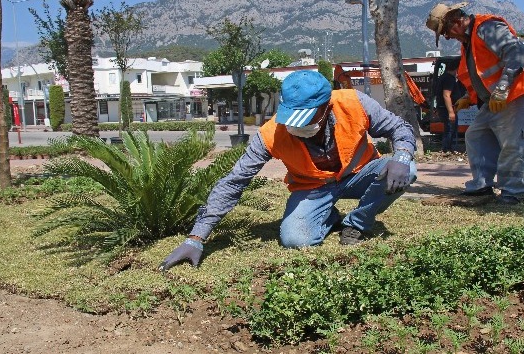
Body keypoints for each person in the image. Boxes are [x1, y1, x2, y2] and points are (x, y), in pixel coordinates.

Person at [159, 70, 417, 270]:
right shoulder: (271, 133)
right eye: (292, 117)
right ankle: (329, 216)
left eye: (305, 118)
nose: (295, 127)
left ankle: (357, 224)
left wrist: (402, 155)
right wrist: (196, 237)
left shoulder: (353, 102)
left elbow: (399, 127)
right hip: (313, 188)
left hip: (359, 174)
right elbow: (235, 181)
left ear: (325, 108)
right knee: (295, 239)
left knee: (408, 168)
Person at [426, 2, 524, 205]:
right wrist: (469, 96)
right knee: (476, 135)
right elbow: (480, 74)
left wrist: (502, 88)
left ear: (456, 21)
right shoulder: (468, 41)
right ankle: (481, 186)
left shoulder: (486, 27)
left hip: (519, 93)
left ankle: (512, 192)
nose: (448, 37)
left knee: (513, 144)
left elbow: (515, 54)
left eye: (446, 32)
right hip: (496, 99)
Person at [433, 59, 467, 152]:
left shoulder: (444, 77)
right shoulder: (449, 79)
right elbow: (446, 95)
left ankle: (448, 148)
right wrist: (451, 112)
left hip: (445, 108)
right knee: (450, 129)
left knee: (451, 129)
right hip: (447, 108)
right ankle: (446, 149)